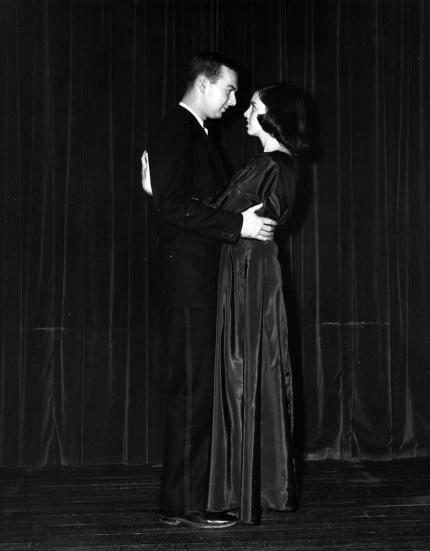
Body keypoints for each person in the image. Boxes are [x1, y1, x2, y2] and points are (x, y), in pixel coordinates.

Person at [143, 53, 277, 529]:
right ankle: (183, 504)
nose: (234, 101)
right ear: (203, 84)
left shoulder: (191, 132)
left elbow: (178, 200)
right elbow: (174, 205)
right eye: (229, 90)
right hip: (188, 284)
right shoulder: (177, 130)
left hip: (196, 281)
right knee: (193, 391)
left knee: (197, 390)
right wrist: (239, 226)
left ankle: (183, 500)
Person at [206, 83, 309, 524]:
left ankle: (242, 489)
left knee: (242, 369)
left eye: (253, 106)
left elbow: (217, 211)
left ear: (271, 116)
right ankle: (262, 486)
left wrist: (159, 192)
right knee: (257, 367)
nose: (246, 112)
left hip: (248, 269)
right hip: (256, 266)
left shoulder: (269, 164)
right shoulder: (281, 163)